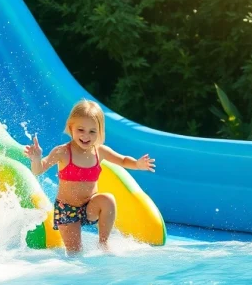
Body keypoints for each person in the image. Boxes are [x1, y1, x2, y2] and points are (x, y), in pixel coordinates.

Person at [24, 99, 155, 254]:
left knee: (108, 199)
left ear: (99, 132)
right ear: (71, 128)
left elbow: (122, 160)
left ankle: (103, 242)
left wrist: (138, 164)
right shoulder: (63, 152)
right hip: (67, 210)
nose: (86, 136)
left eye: (92, 131)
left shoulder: (100, 151)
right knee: (75, 253)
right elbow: (39, 170)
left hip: (89, 207)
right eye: (81, 130)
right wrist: (36, 159)